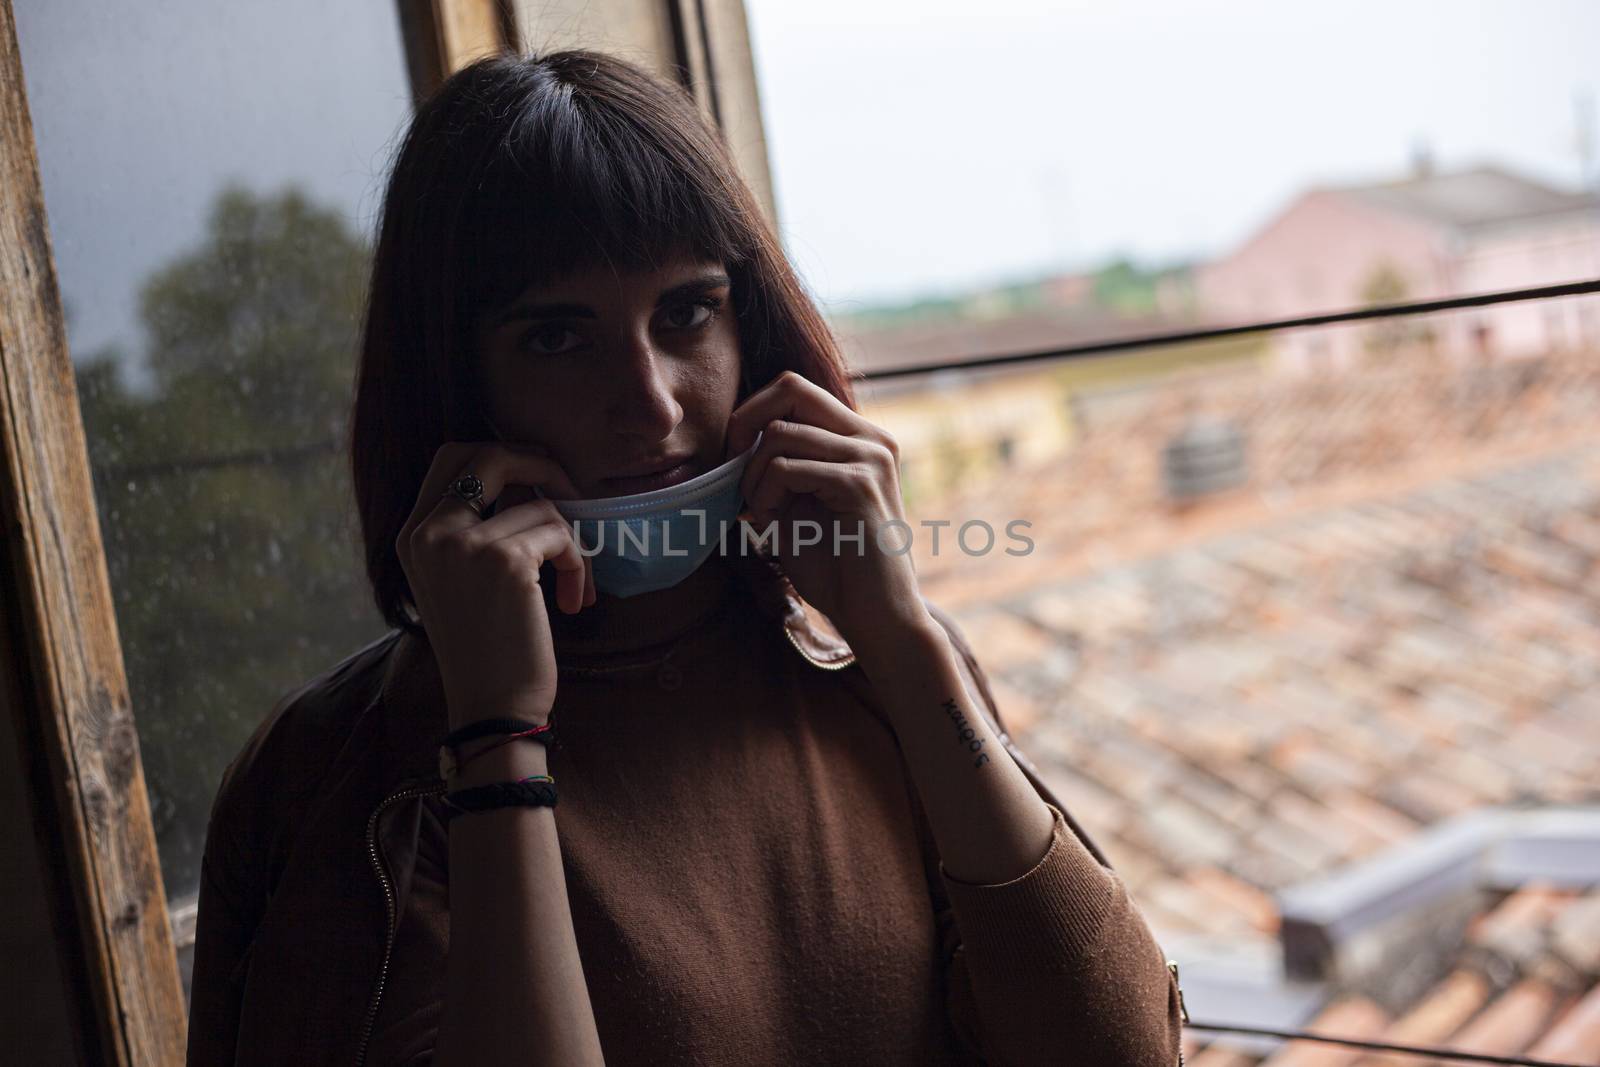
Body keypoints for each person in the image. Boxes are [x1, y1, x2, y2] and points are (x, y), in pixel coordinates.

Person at [184, 48, 1187, 1067]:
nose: (653, 402)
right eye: (557, 339)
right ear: (455, 379)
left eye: (686, 314)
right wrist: (497, 735)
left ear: (748, 330)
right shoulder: (344, 779)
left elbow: (1126, 1051)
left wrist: (902, 631)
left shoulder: (873, 680)